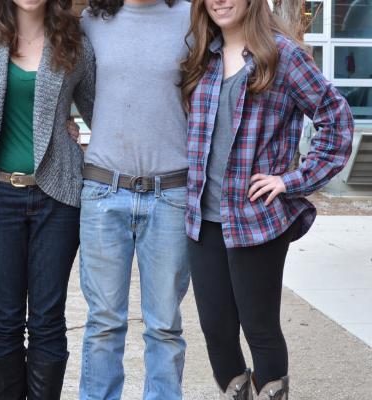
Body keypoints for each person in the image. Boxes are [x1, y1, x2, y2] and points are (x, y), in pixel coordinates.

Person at [180, 0, 354, 398]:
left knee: (259, 327)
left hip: (256, 221)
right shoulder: (201, 58)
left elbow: (335, 116)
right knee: (216, 330)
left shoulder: (283, 55)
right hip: (202, 221)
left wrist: (293, 179)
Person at [0, 0, 94, 397]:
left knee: (48, 320)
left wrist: (80, 137)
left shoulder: (75, 41)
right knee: (3, 318)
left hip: (58, 196)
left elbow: (101, 110)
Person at [78, 0, 192, 399]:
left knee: (164, 325)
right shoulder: (92, 21)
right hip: (103, 190)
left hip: (172, 193)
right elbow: (72, 84)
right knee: (104, 322)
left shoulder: (193, 18)